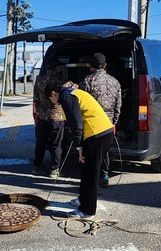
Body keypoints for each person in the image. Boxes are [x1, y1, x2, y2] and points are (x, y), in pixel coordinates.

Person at [44, 82, 114, 219]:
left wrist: (79, 147)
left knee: (90, 172)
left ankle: (87, 211)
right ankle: (83, 199)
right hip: (103, 132)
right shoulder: (71, 92)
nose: (52, 102)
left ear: (53, 93)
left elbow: (76, 123)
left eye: (50, 99)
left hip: (96, 135)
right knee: (86, 168)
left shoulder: (66, 97)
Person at [79, 53, 121, 188]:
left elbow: (80, 103)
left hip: (92, 121)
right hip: (108, 122)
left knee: (91, 152)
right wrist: (114, 121)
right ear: (105, 66)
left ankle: (92, 180)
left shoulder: (86, 81)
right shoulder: (115, 81)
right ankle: (104, 175)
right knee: (105, 150)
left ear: (90, 67)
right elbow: (118, 104)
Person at [32, 57, 65, 178]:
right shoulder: (61, 81)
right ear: (57, 67)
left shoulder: (40, 80)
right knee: (56, 144)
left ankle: (37, 166)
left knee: (40, 142)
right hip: (57, 117)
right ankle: (54, 169)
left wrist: (40, 111)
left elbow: (35, 98)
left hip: (43, 117)